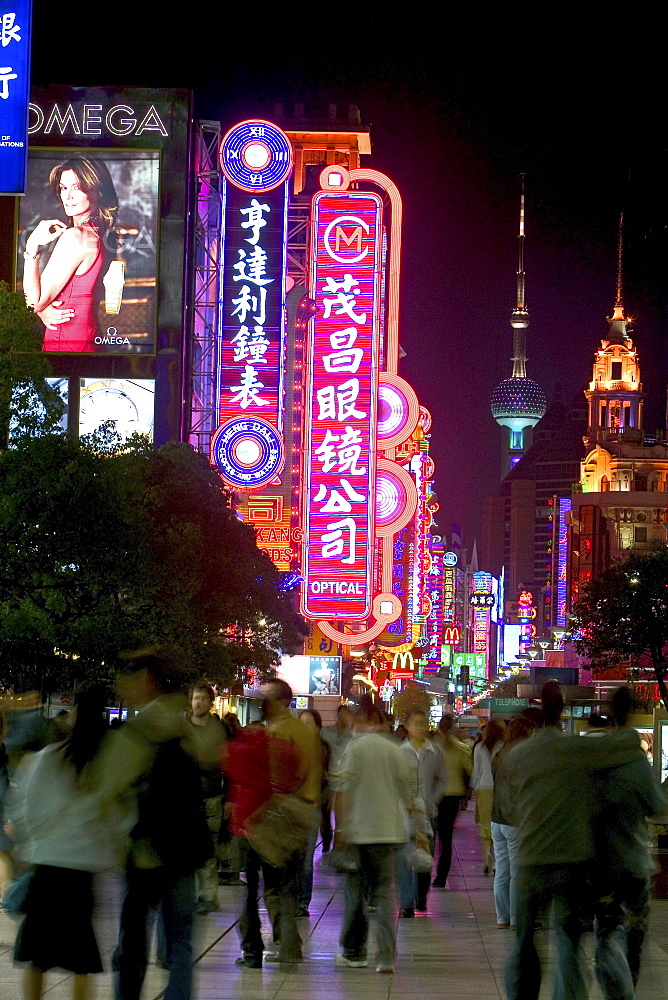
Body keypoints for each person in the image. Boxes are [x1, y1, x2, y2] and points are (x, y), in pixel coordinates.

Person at [504, 681, 647, 1000]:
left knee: (524, 942)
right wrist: (622, 721)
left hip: (529, 858)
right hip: (570, 860)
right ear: (563, 711)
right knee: (568, 939)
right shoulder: (575, 750)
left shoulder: (518, 755)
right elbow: (623, 746)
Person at [96, 650, 211, 1000]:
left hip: (145, 852)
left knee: (132, 942)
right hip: (184, 847)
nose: (121, 684)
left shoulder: (135, 733)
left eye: (127, 676)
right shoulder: (189, 727)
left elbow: (106, 791)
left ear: (145, 679)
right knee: (179, 941)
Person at [12, 689, 128, 1000]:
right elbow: (117, 819)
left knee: (38, 956)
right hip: (82, 872)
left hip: (49, 867)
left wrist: (34, 847)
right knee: (81, 960)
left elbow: (30, 811)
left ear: (74, 716)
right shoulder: (104, 767)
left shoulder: (50, 757)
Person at [590, 686, 667, 999]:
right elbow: (657, 808)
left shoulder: (595, 760)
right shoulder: (636, 764)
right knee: (634, 938)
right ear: (633, 713)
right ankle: (626, 992)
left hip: (600, 863)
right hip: (634, 863)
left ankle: (612, 991)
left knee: (605, 935)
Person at [335, 701, 414, 973]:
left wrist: (340, 828)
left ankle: (355, 953)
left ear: (362, 720)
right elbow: (407, 791)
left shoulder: (354, 748)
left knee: (355, 894)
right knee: (383, 893)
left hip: (359, 831)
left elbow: (343, 790)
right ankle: (385, 956)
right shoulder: (395, 749)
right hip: (388, 831)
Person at [22, 155, 119, 352]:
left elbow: (34, 302)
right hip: (88, 338)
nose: (67, 196)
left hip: (66, 339)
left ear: (96, 191)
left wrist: (32, 246)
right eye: (64, 188)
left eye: (77, 187)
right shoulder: (102, 234)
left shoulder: (76, 237)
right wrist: (42, 308)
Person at [259, 680, 320, 963]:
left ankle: (286, 943)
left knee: (274, 884)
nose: (262, 704)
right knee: (288, 883)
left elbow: (277, 777)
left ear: (283, 701)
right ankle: (290, 943)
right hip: (304, 811)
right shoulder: (305, 732)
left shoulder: (280, 731)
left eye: (267, 698)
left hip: (282, 814)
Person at [397, 709, 446, 916]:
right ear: (407, 726)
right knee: (405, 857)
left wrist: (432, 800)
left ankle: (421, 897)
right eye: (415, 723)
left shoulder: (434, 752)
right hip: (405, 813)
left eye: (423, 723)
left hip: (428, 813)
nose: (420, 727)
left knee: (425, 857)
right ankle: (406, 902)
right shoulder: (399, 751)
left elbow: (442, 779)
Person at [185, 682, 226, 914]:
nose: (198, 702)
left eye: (202, 698)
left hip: (211, 796)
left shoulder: (218, 730)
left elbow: (227, 765)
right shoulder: (182, 729)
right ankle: (190, 894)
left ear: (211, 702)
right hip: (186, 798)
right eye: (195, 698)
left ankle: (208, 896)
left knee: (208, 849)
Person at [490, 716, 535, 927]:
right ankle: (518, 918)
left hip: (497, 819)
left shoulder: (499, 755)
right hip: (515, 819)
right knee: (518, 872)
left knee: (502, 870)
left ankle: (502, 917)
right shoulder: (524, 757)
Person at [432, 714, 472, 888]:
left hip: (434, 796)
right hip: (453, 796)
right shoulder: (461, 748)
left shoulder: (432, 747)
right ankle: (441, 877)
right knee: (446, 839)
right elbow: (469, 771)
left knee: (430, 837)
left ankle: (425, 874)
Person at [297, 709, 330, 916]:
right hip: (291, 809)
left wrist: (320, 802)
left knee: (307, 859)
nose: (305, 727)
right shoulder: (291, 747)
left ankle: (303, 902)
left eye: (309, 723)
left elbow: (329, 782)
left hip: (311, 808)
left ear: (318, 727)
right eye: (302, 723)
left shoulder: (323, 750)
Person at [471, 718, 504, 873]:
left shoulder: (479, 747)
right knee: (498, 823)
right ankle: (498, 860)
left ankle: (486, 856)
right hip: (500, 789)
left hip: (484, 788)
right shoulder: (503, 747)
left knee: (485, 825)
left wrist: (474, 788)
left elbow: (476, 770)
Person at [322, 705, 353, 851]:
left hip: (343, 781)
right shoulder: (326, 732)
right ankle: (326, 839)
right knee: (324, 815)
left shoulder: (352, 736)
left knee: (341, 817)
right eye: (341, 714)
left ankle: (338, 847)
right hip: (327, 779)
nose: (343, 718)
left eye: (346, 715)